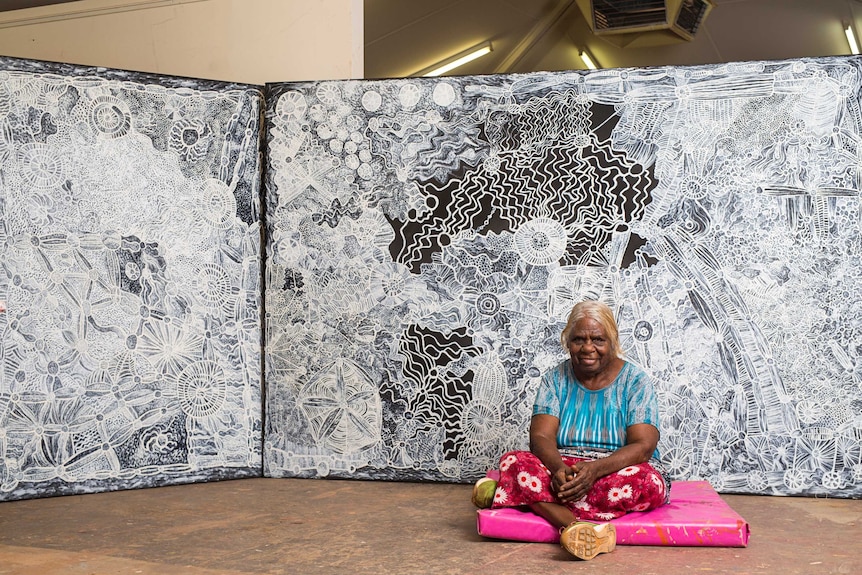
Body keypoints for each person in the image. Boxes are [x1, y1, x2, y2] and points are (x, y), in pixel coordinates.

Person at [472, 300, 670, 560]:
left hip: (614, 469)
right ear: (567, 342)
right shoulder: (554, 379)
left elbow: (643, 446)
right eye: (579, 339)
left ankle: (518, 495)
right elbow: (541, 436)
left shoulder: (636, 381)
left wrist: (594, 471)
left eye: (598, 339)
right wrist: (558, 470)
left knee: (648, 482)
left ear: (612, 341)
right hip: (563, 468)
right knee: (515, 460)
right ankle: (576, 526)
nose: (588, 348)